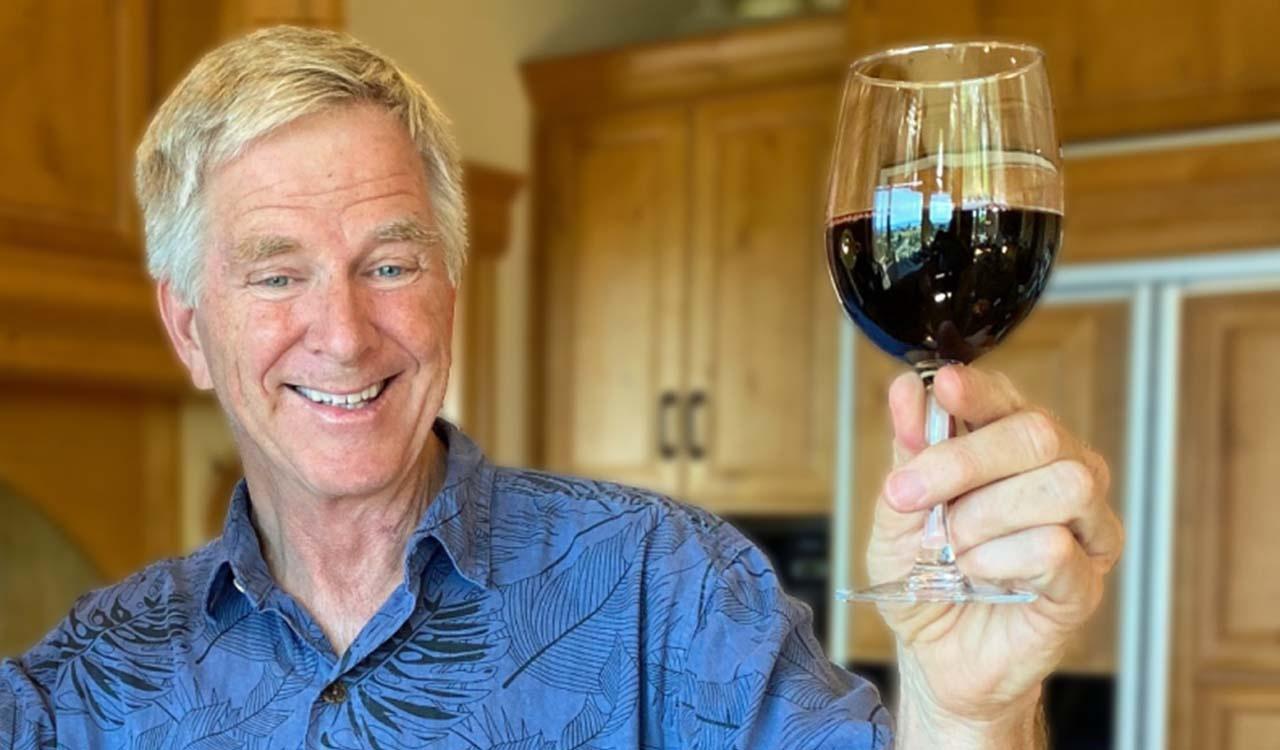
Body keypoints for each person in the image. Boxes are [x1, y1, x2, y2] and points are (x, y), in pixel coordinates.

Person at [0, 26, 1123, 749]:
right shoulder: (90, 684)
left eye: (388, 263)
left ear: (448, 288)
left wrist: (967, 714)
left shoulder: (667, 594)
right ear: (189, 329)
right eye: (276, 273)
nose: (341, 332)